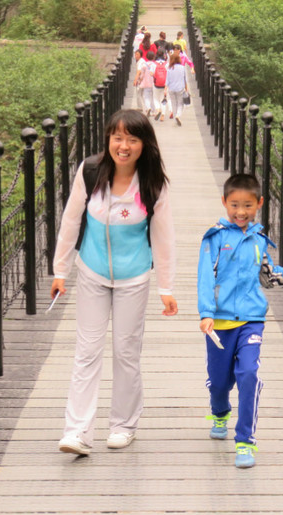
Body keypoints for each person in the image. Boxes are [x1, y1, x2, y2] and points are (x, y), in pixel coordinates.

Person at [53, 109, 178, 456]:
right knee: (87, 351)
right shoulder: (91, 172)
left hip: (133, 278)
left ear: (144, 144)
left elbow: (164, 238)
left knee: (126, 353)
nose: (123, 146)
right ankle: (77, 431)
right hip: (92, 272)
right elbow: (71, 219)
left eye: (132, 139)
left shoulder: (154, 185)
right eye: (117, 137)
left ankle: (124, 426)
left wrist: (165, 288)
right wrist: (60, 270)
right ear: (108, 139)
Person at [197, 174, 283, 468]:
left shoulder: (257, 240)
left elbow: (269, 276)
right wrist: (206, 313)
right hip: (219, 322)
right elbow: (205, 278)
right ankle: (219, 412)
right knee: (219, 382)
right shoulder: (214, 238)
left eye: (248, 205)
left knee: (248, 374)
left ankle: (245, 442)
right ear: (224, 203)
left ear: (259, 204)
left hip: (252, 319)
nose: (241, 212)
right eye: (235, 205)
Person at [165, 51, 188, 126]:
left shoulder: (169, 69)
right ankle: (178, 115)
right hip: (180, 88)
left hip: (171, 88)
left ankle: (175, 118)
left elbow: (167, 80)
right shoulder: (182, 68)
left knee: (174, 103)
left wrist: (165, 90)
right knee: (180, 104)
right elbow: (185, 79)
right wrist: (186, 89)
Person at [152, 48, 169, 122]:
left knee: (155, 98)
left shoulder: (154, 64)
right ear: (164, 55)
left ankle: (158, 109)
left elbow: (151, 73)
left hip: (156, 84)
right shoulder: (167, 64)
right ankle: (163, 115)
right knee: (163, 99)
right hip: (164, 84)